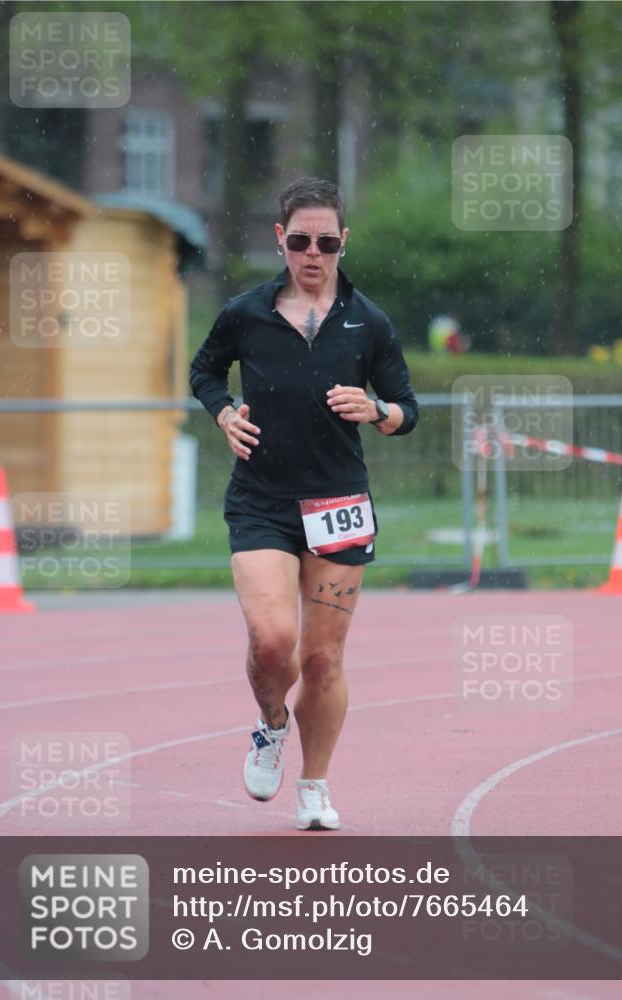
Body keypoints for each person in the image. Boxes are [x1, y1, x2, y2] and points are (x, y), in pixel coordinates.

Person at [189, 177, 418, 830]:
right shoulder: (245, 313)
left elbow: (408, 410)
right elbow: (204, 371)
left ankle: (314, 785)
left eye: (325, 243)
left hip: (338, 502)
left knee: (321, 659)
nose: (312, 254)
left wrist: (377, 409)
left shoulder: (368, 322)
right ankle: (270, 723)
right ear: (279, 240)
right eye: (299, 242)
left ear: (343, 242)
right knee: (272, 641)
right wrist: (223, 413)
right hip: (261, 501)